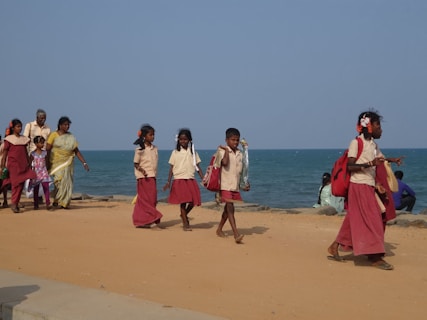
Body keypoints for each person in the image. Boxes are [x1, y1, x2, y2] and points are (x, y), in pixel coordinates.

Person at [327, 110, 402, 270]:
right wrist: (369, 164)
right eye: (378, 125)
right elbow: (350, 166)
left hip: (368, 186)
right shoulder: (356, 143)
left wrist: (392, 160)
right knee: (373, 219)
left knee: (353, 218)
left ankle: (334, 247)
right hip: (358, 185)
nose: (380, 129)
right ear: (368, 126)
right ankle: (375, 257)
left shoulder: (373, 145)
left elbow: (379, 160)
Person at [163, 128, 204, 231]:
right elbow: (171, 168)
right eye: (181, 139)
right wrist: (168, 181)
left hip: (190, 179)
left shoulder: (193, 152)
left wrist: (203, 178)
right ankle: (186, 224)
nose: (183, 141)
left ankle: (183, 214)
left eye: (185, 139)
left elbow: (197, 166)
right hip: (179, 180)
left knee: (193, 201)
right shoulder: (175, 152)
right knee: (183, 201)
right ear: (178, 140)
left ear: (189, 140)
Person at [46, 116, 89, 209]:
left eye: (68, 125)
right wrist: (47, 162)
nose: (67, 126)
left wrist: (84, 163)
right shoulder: (53, 135)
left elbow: (76, 151)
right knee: (58, 182)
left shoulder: (71, 136)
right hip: (55, 162)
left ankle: (64, 203)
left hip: (68, 163)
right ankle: (57, 199)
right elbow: (48, 149)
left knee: (67, 183)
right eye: (65, 125)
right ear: (60, 125)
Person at [216, 128, 250, 244]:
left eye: (237, 140)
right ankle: (236, 234)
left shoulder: (240, 154)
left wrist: (244, 183)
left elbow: (241, 170)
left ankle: (219, 229)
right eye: (232, 140)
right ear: (226, 140)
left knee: (227, 209)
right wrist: (226, 151)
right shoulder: (221, 151)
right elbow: (224, 163)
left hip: (234, 186)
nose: (235, 142)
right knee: (230, 208)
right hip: (224, 185)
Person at [0, 119, 37, 213]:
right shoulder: (9, 139)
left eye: (20, 126)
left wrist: (29, 162)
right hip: (13, 165)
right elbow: (5, 153)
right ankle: (14, 203)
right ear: (13, 128)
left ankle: (15, 203)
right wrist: (3, 165)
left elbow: (25, 152)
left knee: (20, 184)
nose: (20, 128)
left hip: (23, 164)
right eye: (18, 126)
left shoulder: (23, 139)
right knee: (15, 184)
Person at [132, 124, 163, 228]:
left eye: (154, 135)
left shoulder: (155, 148)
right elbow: (136, 164)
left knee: (152, 199)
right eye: (151, 135)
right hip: (143, 178)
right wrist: (142, 170)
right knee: (144, 200)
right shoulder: (139, 149)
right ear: (144, 136)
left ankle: (148, 219)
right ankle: (144, 220)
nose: (153, 137)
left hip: (152, 177)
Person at [30, 136, 53, 210]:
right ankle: (36, 204)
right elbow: (30, 164)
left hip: (44, 172)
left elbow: (47, 163)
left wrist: (48, 170)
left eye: (43, 143)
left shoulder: (45, 153)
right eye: (41, 143)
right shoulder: (32, 154)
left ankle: (48, 203)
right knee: (35, 190)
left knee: (46, 188)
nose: (43, 144)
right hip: (35, 173)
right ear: (36, 143)